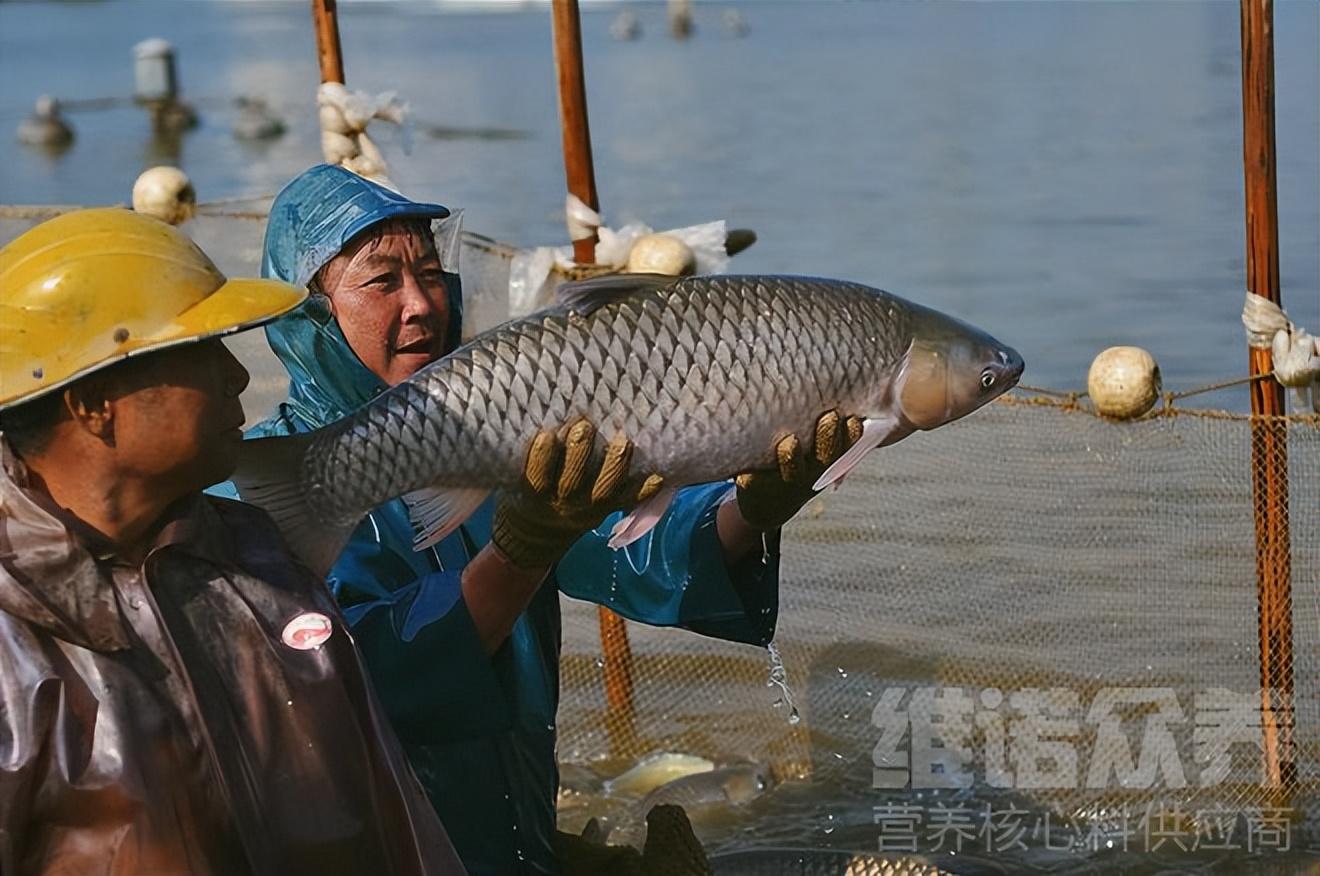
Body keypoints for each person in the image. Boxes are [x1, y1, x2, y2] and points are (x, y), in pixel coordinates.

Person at [222, 164, 858, 875]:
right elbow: (357, 685)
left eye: (431, 273)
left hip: (518, 845)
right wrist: (521, 551)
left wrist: (755, 504)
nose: (423, 304)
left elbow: (634, 554)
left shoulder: (507, 439)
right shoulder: (252, 497)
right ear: (311, 320)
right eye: (382, 282)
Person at [0, 208, 465, 875]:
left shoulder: (264, 568)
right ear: (94, 402)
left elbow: (397, 823)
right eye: (200, 352)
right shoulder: (12, 639)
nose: (238, 377)